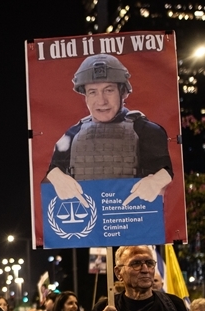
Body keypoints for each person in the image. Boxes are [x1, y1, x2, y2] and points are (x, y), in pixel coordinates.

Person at [45, 54, 173, 208]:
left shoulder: (148, 132)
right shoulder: (71, 135)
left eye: (109, 90)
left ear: (123, 92)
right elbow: (52, 170)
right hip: (88, 225)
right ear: (85, 97)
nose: (101, 101)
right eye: (92, 92)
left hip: (133, 223)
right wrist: (56, 176)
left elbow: (168, 171)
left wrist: (157, 180)